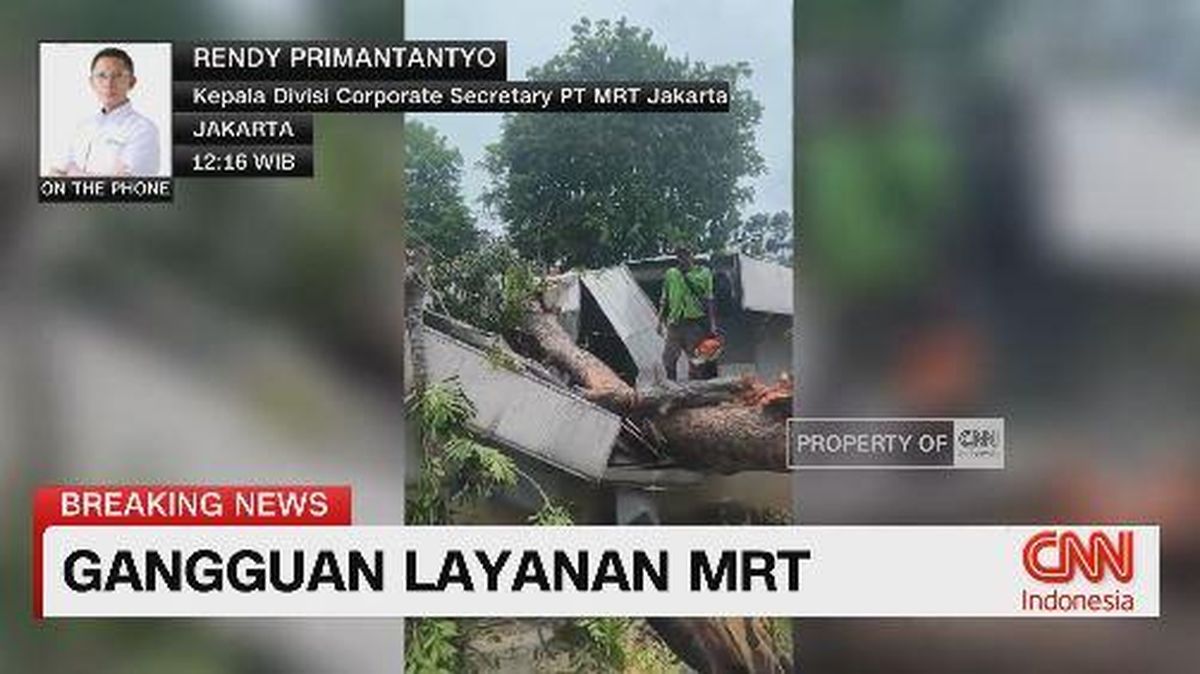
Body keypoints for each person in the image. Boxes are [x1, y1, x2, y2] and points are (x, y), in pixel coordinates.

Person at [52, 47, 160, 177]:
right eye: (102, 76)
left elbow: (126, 189)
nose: (109, 83)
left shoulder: (144, 130)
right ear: (92, 82)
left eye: (118, 76)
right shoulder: (82, 127)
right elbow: (55, 173)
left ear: (132, 82)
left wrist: (74, 173)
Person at [658, 245, 718, 381]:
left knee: (696, 360)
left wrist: (712, 324)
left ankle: (695, 390)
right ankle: (671, 386)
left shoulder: (703, 273)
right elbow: (664, 298)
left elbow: (709, 298)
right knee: (668, 358)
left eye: (685, 254)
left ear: (692, 255)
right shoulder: (671, 273)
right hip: (675, 322)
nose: (682, 258)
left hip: (694, 323)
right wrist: (659, 321)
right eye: (679, 255)